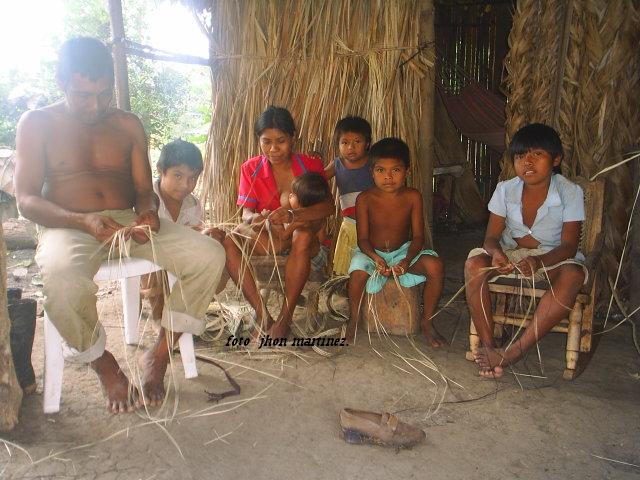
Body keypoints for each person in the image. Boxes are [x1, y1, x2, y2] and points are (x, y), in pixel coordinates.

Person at [14, 37, 225, 413]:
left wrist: (147, 214)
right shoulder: (37, 124)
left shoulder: (127, 125)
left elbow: (144, 189)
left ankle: (160, 354)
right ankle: (103, 362)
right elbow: (26, 200)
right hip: (67, 226)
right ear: (61, 81)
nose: (94, 106)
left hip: (127, 223)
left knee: (209, 254)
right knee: (60, 280)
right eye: (82, 95)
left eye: (102, 94)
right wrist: (82, 220)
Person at [464, 123, 587, 378]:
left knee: (573, 274)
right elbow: (490, 238)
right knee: (474, 265)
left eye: (536, 155)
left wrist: (538, 262)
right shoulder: (505, 189)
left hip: (553, 257)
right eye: (520, 156)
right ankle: (490, 348)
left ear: (556, 159)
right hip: (511, 253)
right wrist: (497, 254)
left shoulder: (569, 192)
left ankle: (517, 350)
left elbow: (569, 246)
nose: (527, 162)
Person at [224, 106, 334, 339]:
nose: (273, 149)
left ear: (292, 138)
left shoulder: (309, 165)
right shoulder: (250, 169)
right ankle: (263, 314)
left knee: (301, 235)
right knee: (230, 240)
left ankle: (285, 319)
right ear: (259, 141)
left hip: (307, 243)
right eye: (266, 142)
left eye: (281, 141)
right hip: (271, 236)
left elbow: (328, 207)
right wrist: (256, 219)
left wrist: (294, 217)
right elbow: (246, 213)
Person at [346, 138, 445, 346]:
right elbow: (362, 239)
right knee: (356, 274)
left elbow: (418, 237)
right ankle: (353, 318)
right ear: (371, 172)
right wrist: (375, 258)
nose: (388, 177)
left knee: (434, 266)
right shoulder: (364, 199)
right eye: (381, 170)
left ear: (407, 171)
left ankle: (427, 321)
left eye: (396, 170)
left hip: (403, 252)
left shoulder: (413, 197)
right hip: (371, 253)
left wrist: (407, 260)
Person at [141, 139, 204, 325]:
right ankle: (159, 316)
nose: (185, 184)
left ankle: (182, 312)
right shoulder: (145, 199)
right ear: (161, 170)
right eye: (178, 175)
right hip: (149, 259)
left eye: (192, 178)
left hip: (179, 261)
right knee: (155, 259)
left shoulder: (193, 205)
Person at [324, 116, 374, 276]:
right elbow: (319, 178)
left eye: (357, 142)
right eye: (344, 142)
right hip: (350, 225)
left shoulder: (374, 163)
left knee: (370, 262)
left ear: (367, 143)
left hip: (374, 224)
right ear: (338, 144)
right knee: (346, 264)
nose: (350, 147)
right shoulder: (337, 164)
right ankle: (346, 290)